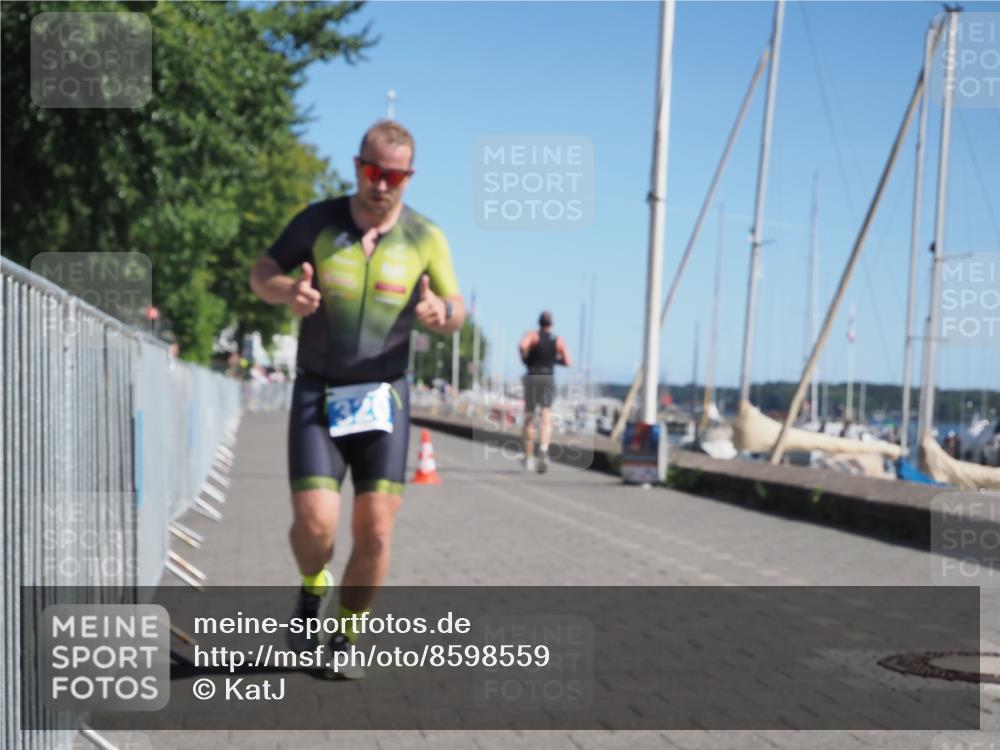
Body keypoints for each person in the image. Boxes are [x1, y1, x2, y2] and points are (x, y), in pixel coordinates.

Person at [249, 120, 464, 678]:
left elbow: (457, 306)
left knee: (375, 530)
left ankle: (344, 635)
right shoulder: (318, 222)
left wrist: (444, 316)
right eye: (373, 171)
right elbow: (261, 272)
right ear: (356, 167)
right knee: (316, 524)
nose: (381, 184)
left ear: (409, 178)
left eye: (394, 175)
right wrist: (285, 293)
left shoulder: (426, 237)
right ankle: (311, 587)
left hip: (384, 396)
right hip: (318, 390)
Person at [518, 311, 572, 473]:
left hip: (533, 375)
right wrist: (556, 360)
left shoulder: (533, 336)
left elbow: (522, 345)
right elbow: (568, 361)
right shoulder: (558, 340)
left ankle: (528, 456)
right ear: (551, 324)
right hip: (548, 376)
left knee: (529, 417)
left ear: (539, 322)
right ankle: (543, 448)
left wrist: (525, 358)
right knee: (546, 415)